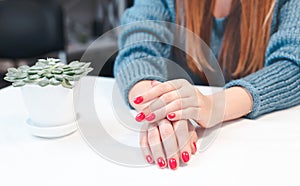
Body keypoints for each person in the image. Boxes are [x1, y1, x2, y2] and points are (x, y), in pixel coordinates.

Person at [113, 0, 300, 170]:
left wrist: (215, 106)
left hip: (259, 156)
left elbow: (293, 64)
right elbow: (137, 48)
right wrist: (159, 108)